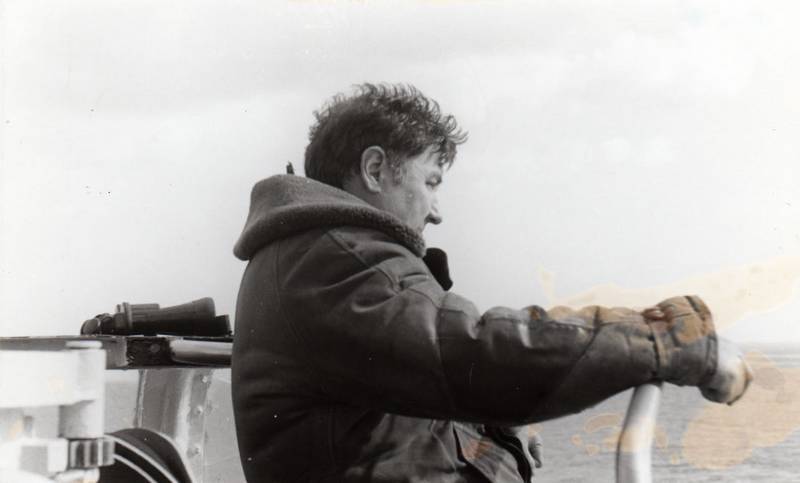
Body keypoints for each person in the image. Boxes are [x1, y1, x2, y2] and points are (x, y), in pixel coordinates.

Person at [231, 83, 752, 482]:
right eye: (431, 181)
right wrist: (672, 339)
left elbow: (406, 390)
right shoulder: (336, 263)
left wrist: (494, 425)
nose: (437, 211)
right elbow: (470, 352)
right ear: (374, 169)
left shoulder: (319, 256)